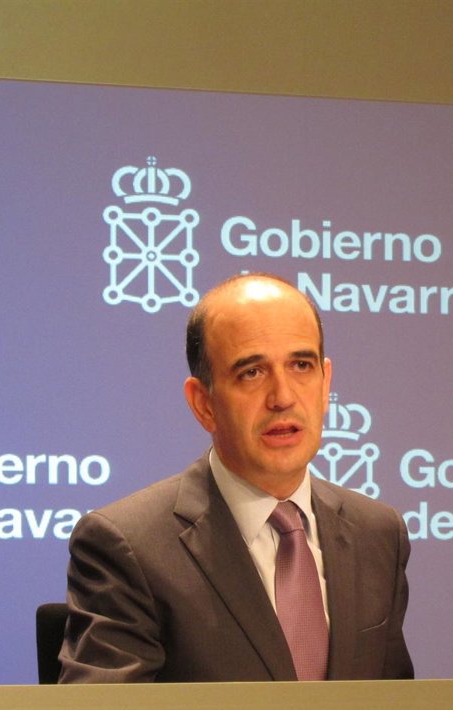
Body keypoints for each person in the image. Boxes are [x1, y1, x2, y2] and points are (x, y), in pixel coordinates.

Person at [58, 272, 414, 682]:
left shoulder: (378, 534)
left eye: (301, 366)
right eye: (252, 373)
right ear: (203, 404)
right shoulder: (128, 546)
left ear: (325, 383)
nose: (283, 397)